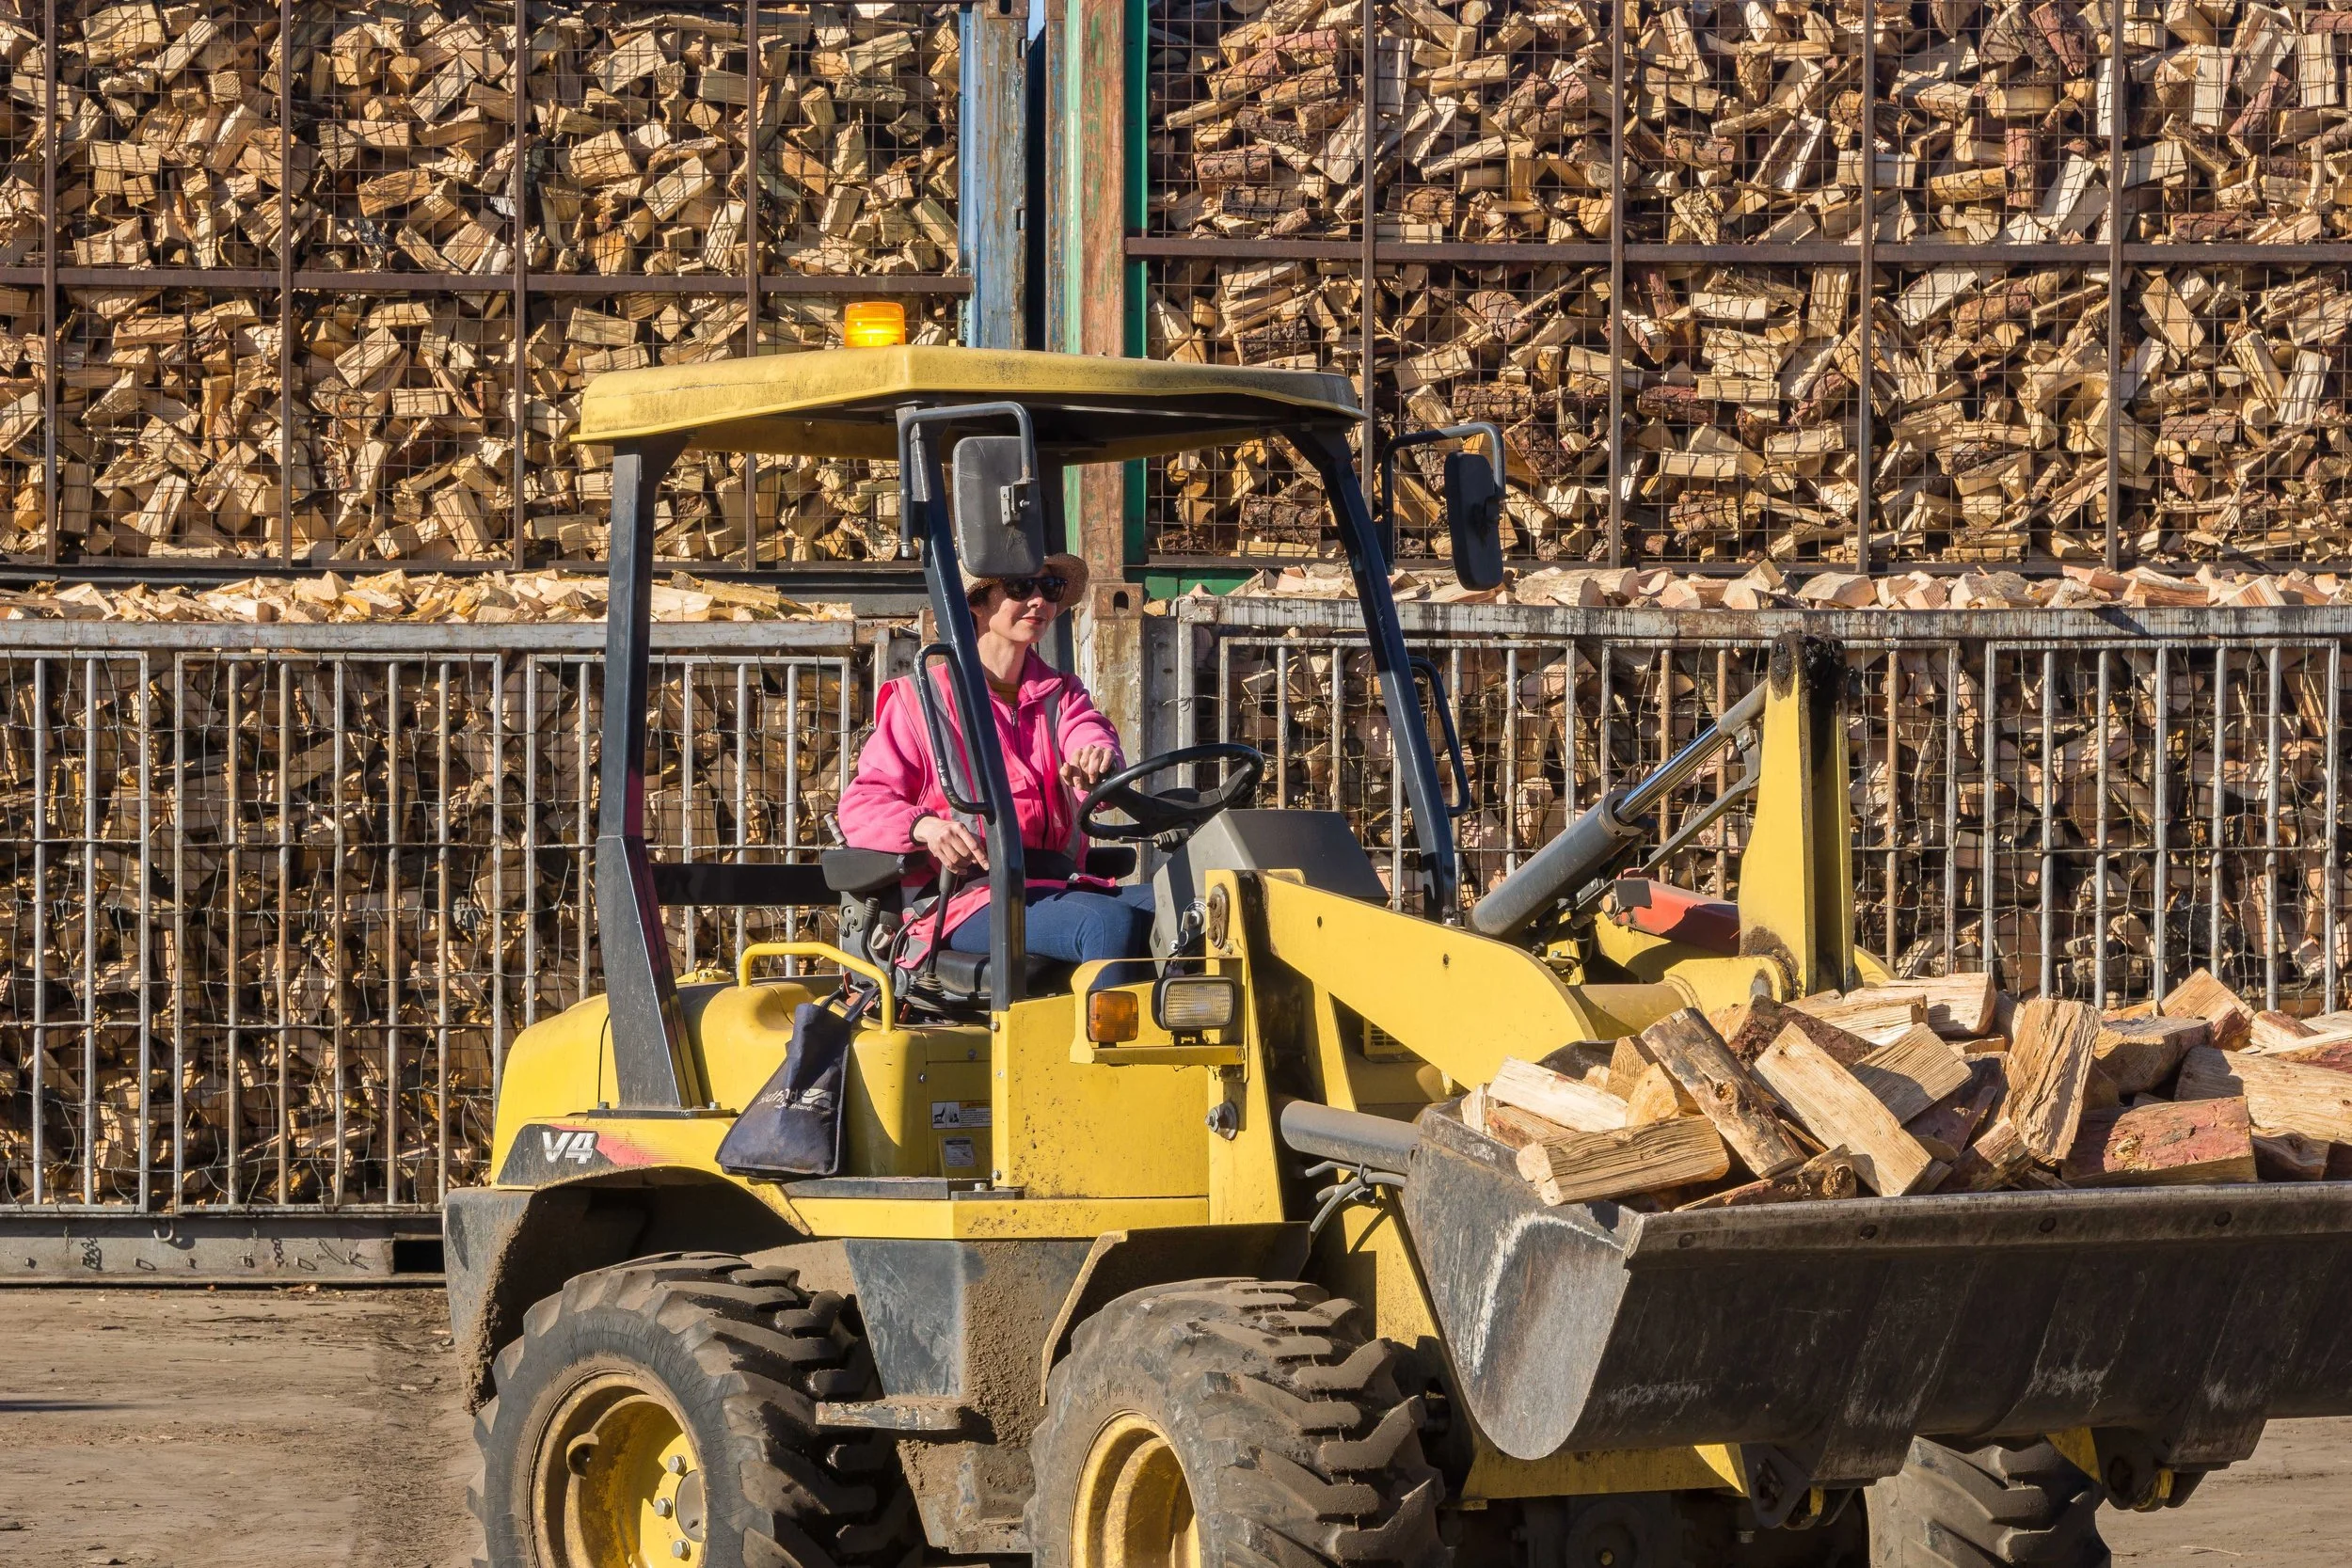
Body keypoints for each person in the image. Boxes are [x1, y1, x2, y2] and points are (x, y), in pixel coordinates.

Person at [838, 551, 1156, 989]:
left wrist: (1095, 758)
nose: (1038, 600)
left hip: (1055, 884)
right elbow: (862, 804)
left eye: (1050, 588)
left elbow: (1088, 732)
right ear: (977, 602)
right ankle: (1110, 1035)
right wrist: (926, 827)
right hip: (964, 899)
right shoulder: (919, 702)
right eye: (1021, 587)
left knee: (1186, 904)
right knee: (1105, 922)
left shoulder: (1062, 694)